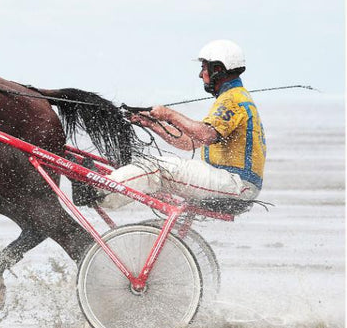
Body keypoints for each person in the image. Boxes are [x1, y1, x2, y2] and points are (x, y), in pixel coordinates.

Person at [98, 39, 266, 210]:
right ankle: (105, 191)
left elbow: (205, 135)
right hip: (233, 182)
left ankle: (101, 194)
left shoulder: (233, 99)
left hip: (235, 184)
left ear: (217, 69)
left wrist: (168, 114)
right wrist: (151, 123)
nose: (201, 75)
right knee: (158, 169)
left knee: (156, 168)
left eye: (203, 68)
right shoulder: (232, 98)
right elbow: (189, 143)